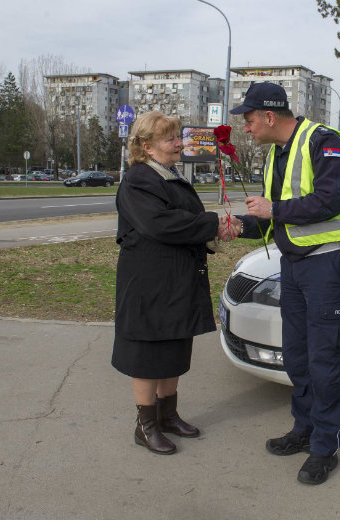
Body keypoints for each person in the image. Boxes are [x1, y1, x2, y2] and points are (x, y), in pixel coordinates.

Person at [226, 82, 340, 485]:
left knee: (327, 356)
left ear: (269, 116)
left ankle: (325, 446)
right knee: (298, 354)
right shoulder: (276, 156)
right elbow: (276, 217)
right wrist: (241, 225)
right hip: (295, 265)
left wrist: (275, 209)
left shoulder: (324, 142)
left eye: (249, 120)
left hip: (328, 265)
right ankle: (303, 428)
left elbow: (330, 201)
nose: (246, 128)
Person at [112, 111, 232, 455]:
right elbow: (162, 224)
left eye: (178, 136)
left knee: (174, 347)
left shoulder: (168, 175)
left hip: (175, 282)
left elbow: (186, 220)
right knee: (149, 354)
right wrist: (211, 225)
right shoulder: (138, 180)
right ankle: (145, 424)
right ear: (147, 146)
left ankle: (168, 415)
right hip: (150, 285)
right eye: (171, 139)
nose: (180, 143)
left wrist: (212, 229)